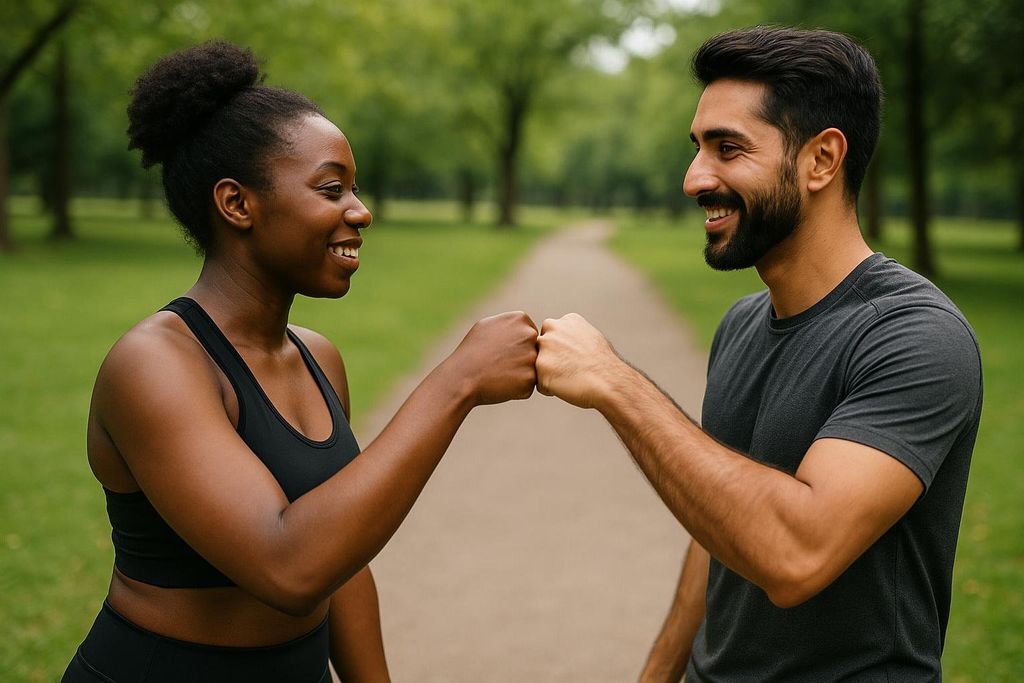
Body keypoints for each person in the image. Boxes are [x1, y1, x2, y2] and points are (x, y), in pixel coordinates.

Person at [62, 40, 538, 682]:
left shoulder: (317, 356)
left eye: (354, 188)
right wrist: (456, 382)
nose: (359, 211)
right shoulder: (156, 364)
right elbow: (288, 566)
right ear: (237, 204)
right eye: (331, 188)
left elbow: (339, 550)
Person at [535, 26, 982, 682]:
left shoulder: (916, 337)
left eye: (728, 149)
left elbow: (795, 553)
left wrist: (613, 382)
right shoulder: (742, 323)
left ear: (823, 160)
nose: (694, 179)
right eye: (697, 148)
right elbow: (718, 518)